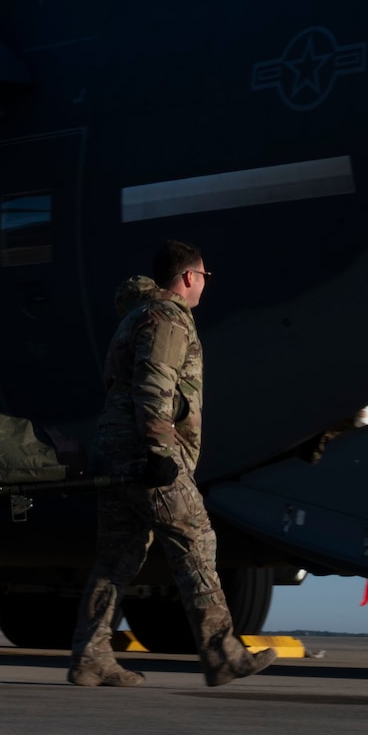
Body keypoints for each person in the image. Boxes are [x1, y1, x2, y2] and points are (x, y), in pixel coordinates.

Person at [68, 240, 275, 688]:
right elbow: (154, 387)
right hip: (147, 453)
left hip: (116, 448)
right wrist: (160, 454)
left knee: (117, 556)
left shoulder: (136, 315)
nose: (205, 284)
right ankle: (222, 653)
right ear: (188, 277)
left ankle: (91, 655)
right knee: (195, 539)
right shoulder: (168, 318)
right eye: (204, 275)